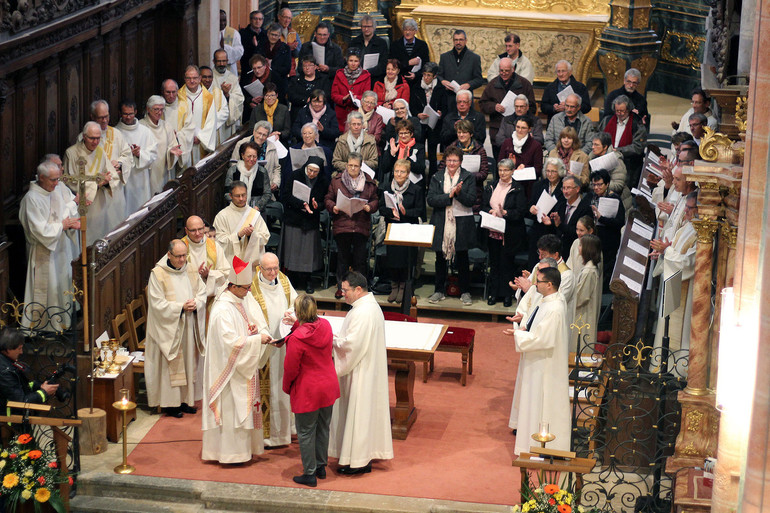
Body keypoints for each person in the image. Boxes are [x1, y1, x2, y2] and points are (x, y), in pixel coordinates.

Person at [202, 257, 273, 464]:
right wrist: (256, 339)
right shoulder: (223, 309)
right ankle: (229, 454)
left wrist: (251, 329)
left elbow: (240, 330)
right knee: (232, 412)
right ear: (232, 286)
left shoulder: (237, 300)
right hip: (229, 372)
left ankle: (243, 452)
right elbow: (230, 343)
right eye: (245, 288)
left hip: (240, 368)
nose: (248, 291)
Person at [328, 271, 393, 474]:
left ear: (358, 289)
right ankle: (359, 459)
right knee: (362, 416)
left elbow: (351, 345)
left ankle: (357, 462)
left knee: (359, 414)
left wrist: (330, 340)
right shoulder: (366, 307)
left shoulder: (363, 312)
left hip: (361, 373)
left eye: (345, 290)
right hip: (365, 369)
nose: (342, 294)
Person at [504, 266, 571, 456]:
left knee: (541, 403)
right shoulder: (548, 301)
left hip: (545, 365)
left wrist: (519, 335)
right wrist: (524, 324)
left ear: (550, 285)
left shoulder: (555, 308)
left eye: (539, 281)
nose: (535, 284)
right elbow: (537, 324)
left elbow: (543, 339)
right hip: (538, 361)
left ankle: (541, 447)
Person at [282, 294, 340, 487]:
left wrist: (287, 386)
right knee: (323, 427)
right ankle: (321, 466)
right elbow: (313, 333)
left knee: (306, 431)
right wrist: (298, 324)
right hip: (328, 384)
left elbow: (291, 368)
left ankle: (309, 473)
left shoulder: (296, 338)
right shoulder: (326, 325)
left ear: (298, 313)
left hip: (308, 389)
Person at [146, 239, 206, 417]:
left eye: (184, 256)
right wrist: (180, 307)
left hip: (187, 324)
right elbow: (157, 304)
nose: (182, 260)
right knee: (172, 364)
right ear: (169, 255)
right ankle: (170, 404)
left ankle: (185, 400)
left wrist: (196, 302)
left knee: (188, 362)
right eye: (178, 256)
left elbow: (202, 291)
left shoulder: (191, 268)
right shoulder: (158, 274)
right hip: (170, 328)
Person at [19, 158, 80, 331]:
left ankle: (62, 323)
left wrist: (70, 223)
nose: (57, 183)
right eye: (53, 180)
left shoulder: (52, 191)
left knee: (60, 286)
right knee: (49, 289)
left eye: (57, 179)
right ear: (41, 178)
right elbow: (40, 230)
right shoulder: (32, 199)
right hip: (43, 251)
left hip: (59, 248)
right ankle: (45, 328)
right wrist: (63, 225)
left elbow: (63, 213)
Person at [249, 252, 298, 448]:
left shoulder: (284, 281)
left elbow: (295, 303)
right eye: (268, 269)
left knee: (283, 390)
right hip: (264, 349)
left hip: (284, 346)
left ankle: (284, 431)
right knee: (267, 392)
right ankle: (266, 436)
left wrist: (291, 315)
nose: (273, 273)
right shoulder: (252, 288)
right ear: (259, 268)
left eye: (276, 268)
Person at [651, 191, 698, 367]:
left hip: (685, 286)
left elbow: (688, 263)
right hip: (674, 282)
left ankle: (675, 371)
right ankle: (662, 367)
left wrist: (666, 251)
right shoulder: (687, 227)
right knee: (666, 327)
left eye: (690, 208)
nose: (685, 211)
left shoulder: (700, 233)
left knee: (678, 334)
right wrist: (663, 254)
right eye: (685, 206)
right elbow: (675, 252)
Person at [427, 146, 477, 306]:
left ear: (460, 161)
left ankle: (465, 291)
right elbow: (431, 199)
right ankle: (439, 290)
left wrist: (459, 193)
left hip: (462, 222)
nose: (452, 163)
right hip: (442, 221)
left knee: (462, 257)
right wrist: (449, 196)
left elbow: (471, 200)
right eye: (449, 160)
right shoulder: (437, 176)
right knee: (440, 258)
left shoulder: (468, 177)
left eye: (455, 160)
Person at [324, 153, 378, 298]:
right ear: (346, 165)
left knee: (360, 260)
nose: (352, 168)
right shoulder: (337, 181)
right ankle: (342, 288)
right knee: (342, 259)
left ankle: (359, 289)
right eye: (350, 165)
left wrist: (369, 207)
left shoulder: (369, 182)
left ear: (361, 167)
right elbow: (328, 198)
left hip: (360, 224)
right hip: (343, 223)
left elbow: (375, 201)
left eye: (355, 166)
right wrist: (333, 206)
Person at [63, 121, 120, 245]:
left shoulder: (100, 151)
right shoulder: (71, 153)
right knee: (85, 242)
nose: (95, 142)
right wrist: (97, 183)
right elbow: (70, 182)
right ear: (84, 136)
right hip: (83, 205)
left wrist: (106, 182)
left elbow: (112, 175)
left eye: (98, 138)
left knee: (100, 240)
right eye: (92, 138)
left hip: (100, 204)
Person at [378, 159, 425, 303]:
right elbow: (381, 208)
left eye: (402, 172)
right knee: (392, 259)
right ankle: (394, 286)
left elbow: (420, 211)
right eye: (396, 171)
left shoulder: (416, 189)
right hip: (392, 227)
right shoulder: (387, 187)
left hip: (407, 229)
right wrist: (391, 212)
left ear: (408, 174)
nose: (399, 174)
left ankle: (403, 287)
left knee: (405, 260)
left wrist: (405, 212)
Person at [481, 158, 527, 307]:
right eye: (500, 170)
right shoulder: (491, 186)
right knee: (494, 265)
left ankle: (507, 295)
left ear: (512, 171)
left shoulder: (518, 188)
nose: (502, 173)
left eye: (506, 170)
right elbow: (482, 205)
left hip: (509, 233)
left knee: (507, 265)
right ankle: (493, 294)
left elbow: (520, 212)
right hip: (492, 231)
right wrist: (490, 211)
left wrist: (505, 212)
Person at [281, 156, 329, 294]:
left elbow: (324, 202)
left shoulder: (323, 181)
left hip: (310, 220)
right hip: (294, 217)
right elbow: (286, 195)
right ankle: (293, 279)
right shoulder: (295, 175)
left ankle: (307, 280)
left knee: (307, 253)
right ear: (305, 167)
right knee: (293, 250)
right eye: (310, 170)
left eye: (315, 171)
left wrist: (317, 205)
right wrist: (301, 203)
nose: (311, 174)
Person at [479, 56, 536, 157]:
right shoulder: (493, 84)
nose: (503, 73)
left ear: (513, 69)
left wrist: (520, 109)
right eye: (501, 71)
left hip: (520, 132)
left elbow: (532, 107)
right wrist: (494, 107)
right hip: (497, 131)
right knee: (499, 166)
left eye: (507, 71)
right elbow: (482, 104)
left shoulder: (524, 84)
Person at [213, 180, 271, 266]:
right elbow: (218, 241)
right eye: (237, 196)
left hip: (251, 265)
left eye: (243, 195)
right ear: (230, 196)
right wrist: (238, 236)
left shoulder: (254, 214)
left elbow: (265, 237)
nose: (241, 199)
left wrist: (252, 235)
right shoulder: (222, 216)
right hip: (230, 264)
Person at [116, 99, 158, 215]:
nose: (128, 117)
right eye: (125, 114)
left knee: (141, 208)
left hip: (141, 178)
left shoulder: (145, 132)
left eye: (130, 113)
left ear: (135, 112)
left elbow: (153, 153)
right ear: (120, 113)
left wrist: (140, 154)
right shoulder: (116, 133)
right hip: (125, 179)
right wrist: (127, 154)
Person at [0, 329, 59, 409]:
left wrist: (39, 386)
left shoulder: (8, 362)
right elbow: (20, 402)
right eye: (19, 348)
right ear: (8, 349)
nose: (21, 352)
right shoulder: (4, 372)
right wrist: (44, 392)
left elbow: (21, 386)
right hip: (9, 419)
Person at [437, 119, 488, 212]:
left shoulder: (480, 150)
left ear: (471, 134)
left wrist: (465, 176)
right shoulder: (451, 148)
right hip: (452, 189)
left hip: (473, 191)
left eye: (464, 132)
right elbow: (441, 169)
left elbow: (484, 173)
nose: (461, 135)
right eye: (459, 132)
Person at [598, 95, 647, 188]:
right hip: (605, 162)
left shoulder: (637, 124)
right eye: (617, 111)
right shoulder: (607, 121)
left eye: (622, 111)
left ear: (628, 110)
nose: (619, 114)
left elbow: (638, 147)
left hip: (628, 164)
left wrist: (618, 151)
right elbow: (598, 137)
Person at [181, 215, 230, 307]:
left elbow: (226, 272)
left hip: (210, 300)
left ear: (204, 227)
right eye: (193, 230)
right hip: (187, 299)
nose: (197, 233)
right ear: (186, 230)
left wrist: (209, 275)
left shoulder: (215, 247)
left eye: (200, 229)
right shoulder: (180, 247)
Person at [589, 169, 625, 287]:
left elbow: (620, 222)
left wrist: (601, 218)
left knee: (607, 267)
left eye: (599, 185)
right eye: (594, 185)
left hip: (609, 239)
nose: (596, 188)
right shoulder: (592, 197)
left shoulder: (614, 198)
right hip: (595, 238)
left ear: (607, 184)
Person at [527, 158, 566, 268]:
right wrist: (531, 209)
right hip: (538, 229)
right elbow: (530, 205)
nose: (550, 174)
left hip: (554, 231)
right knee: (534, 263)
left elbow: (563, 211)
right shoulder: (539, 185)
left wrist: (551, 222)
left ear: (559, 172)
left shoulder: (564, 187)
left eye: (553, 171)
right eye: (548, 171)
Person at [140, 95, 183, 193]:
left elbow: (173, 144)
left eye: (161, 109)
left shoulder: (166, 126)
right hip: (148, 171)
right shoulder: (141, 126)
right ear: (148, 109)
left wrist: (171, 152)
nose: (159, 112)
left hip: (163, 169)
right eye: (156, 109)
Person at [410, 61, 446, 177]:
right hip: (420, 125)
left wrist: (440, 113)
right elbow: (412, 106)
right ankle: (420, 179)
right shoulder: (416, 87)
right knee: (419, 152)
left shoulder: (440, 88)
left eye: (429, 75)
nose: (426, 77)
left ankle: (432, 180)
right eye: (424, 74)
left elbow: (445, 107)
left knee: (432, 155)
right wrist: (417, 114)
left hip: (433, 126)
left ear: (434, 76)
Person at [544, 174, 593, 258]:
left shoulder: (585, 208)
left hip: (576, 250)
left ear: (577, 189)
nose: (565, 191)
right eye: (563, 188)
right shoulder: (561, 205)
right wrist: (551, 223)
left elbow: (579, 233)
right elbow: (558, 229)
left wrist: (559, 224)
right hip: (559, 250)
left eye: (568, 188)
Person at [231, 121, 282, 201]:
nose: (261, 137)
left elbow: (276, 167)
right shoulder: (241, 144)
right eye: (259, 133)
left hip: (264, 189)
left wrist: (276, 182)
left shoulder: (271, 147)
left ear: (268, 136)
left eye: (264, 135)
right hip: (243, 187)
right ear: (254, 132)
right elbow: (233, 163)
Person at [437, 29, 484, 113]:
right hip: (448, 101)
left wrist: (469, 84)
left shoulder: (474, 58)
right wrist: (443, 81)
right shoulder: (444, 57)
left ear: (465, 41)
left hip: (466, 101)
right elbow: (439, 75)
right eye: (456, 40)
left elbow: (479, 79)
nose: (458, 42)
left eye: (461, 40)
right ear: (453, 41)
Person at [178, 66, 217, 165]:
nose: (192, 81)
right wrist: (187, 137)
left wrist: (200, 137)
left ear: (199, 78)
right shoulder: (178, 96)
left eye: (195, 78)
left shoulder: (208, 97)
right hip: (184, 142)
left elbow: (211, 121)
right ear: (184, 79)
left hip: (201, 143)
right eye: (188, 78)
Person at [498, 115, 544, 198]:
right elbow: (500, 163)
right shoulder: (507, 143)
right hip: (508, 184)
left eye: (523, 128)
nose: (519, 130)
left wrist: (524, 168)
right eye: (518, 127)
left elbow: (538, 169)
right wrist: (510, 165)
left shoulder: (536, 146)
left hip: (527, 186)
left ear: (529, 129)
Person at [572, 233, 602, 352]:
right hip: (582, 312)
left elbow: (581, 297)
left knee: (580, 347)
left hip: (583, 314)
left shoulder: (588, 271)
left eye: (580, 245)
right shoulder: (589, 268)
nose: (578, 248)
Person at [331, 48, 372, 133]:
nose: (353, 64)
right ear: (346, 61)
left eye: (356, 61)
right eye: (351, 61)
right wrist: (343, 98)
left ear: (359, 62)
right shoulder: (339, 74)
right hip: (340, 115)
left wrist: (357, 97)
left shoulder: (366, 75)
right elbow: (334, 94)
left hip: (357, 115)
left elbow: (367, 95)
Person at [588, 133, 632, 210]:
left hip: (618, 202)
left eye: (596, 145)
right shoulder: (591, 158)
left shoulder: (616, 160)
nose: (593, 147)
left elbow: (619, 185)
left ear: (605, 147)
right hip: (598, 200)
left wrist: (601, 185)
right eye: (592, 144)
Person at [224, 142, 272, 212]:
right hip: (236, 210)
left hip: (257, 210)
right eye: (249, 156)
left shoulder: (262, 171)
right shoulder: (233, 171)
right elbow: (227, 193)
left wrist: (258, 207)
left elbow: (267, 193)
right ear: (242, 155)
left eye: (254, 156)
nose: (252, 159)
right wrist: (238, 205)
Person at [161, 79, 195, 171]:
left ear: (177, 91)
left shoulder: (184, 106)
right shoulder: (158, 107)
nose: (171, 95)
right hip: (163, 151)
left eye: (173, 92)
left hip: (180, 146)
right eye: (168, 92)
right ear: (163, 92)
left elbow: (190, 129)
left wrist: (177, 136)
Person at [212, 49, 245, 142]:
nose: (222, 64)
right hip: (213, 121)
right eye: (219, 61)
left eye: (224, 61)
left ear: (227, 61)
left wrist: (227, 95)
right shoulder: (209, 77)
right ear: (214, 61)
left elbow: (240, 99)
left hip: (227, 124)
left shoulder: (232, 78)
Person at [333, 111, 379, 176]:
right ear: (349, 125)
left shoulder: (370, 141)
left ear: (362, 125)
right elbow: (336, 161)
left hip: (364, 175)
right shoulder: (342, 140)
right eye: (354, 124)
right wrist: (349, 166)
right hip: (344, 174)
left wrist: (362, 164)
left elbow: (374, 162)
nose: (356, 127)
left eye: (359, 124)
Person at [288, 56, 332, 123]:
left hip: (320, 114)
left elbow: (327, 95)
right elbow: (291, 96)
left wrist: (315, 100)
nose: (307, 68)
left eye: (310, 65)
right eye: (304, 66)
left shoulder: (324, 80)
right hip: (299, 112)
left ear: (315, 67)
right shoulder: (295, 80)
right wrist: (305, 100)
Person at [389, 19, 430, 88]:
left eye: (410, 30)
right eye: (405, 30)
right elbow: (392, 65)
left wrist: (416, 75)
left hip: (417, 81)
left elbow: (426, 65)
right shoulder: (395, 45)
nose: (407, 32)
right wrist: (408, 63)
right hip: (399, 81)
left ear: (415, 31)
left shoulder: (422, 45)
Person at [349, 15, 389, 86]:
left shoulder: (381, 43)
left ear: (374, 27)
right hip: (356, 79)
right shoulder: (354, 42)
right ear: (361, 27)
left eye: (369, 26)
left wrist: (367, 72)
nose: (366, 29)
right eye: (364, 26)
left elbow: (383, 64)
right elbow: (349, 60)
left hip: (375, 79)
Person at [381, 119, 425, 183]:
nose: (403, 136)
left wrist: (407, 159)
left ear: (411, 134)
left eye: (406, 133)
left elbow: (421, 169)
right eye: (401, 133)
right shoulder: (394, 147)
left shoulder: (419, 147)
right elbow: (385, 169)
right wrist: (392, 154)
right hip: (395, 183)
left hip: (414, 184)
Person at [258, 23, 292, 104]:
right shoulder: (261, 46)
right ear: (268, 33)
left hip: (279, 84)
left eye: (276, 35)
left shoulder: (285, 48)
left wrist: (271, 66)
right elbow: (255, 61)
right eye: (272, 34)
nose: (273, 37)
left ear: (280, 36)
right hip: (263, 83)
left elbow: (287, 68)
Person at [565, 215, 601, 289]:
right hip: (573, 285)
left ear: (590, 231)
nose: (578, 233)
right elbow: (569, 264)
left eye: (581, 230)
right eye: (577, 229)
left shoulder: (595, 247)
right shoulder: (576, 243)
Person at [200, 66, 231, 149]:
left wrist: (211, 123)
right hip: (200, 135)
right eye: (204, 77)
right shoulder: (196, 94)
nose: (207, 80)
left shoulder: (218, 92)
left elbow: (225, 112)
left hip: (215, 132)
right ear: (199, 78)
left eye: (210, 77)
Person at [241, 54, 274, 123]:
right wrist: (251, 101)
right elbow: (243, 94)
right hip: (252, 113)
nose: (257, 71)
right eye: (254, 68)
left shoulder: (274, 77)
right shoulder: (248, 77)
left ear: (265, 66)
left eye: (259, 67)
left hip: (269, 113)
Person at [276, 7, 302, 74]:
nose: (287, 20)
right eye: (285, 17)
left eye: (289, 18)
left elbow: (298, 54)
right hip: (277, 69)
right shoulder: (273, 31)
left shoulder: (293, 33)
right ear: (279, 17)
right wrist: (288, 48)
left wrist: (294, 49)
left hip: (291, 71)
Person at [218, 9, 243, 76]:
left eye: (224, 20)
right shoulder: (209, 32)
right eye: (219, 20)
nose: (222, 23)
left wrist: (225, 48)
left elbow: (240, 52)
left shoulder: (233, 33)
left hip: (230, 71)